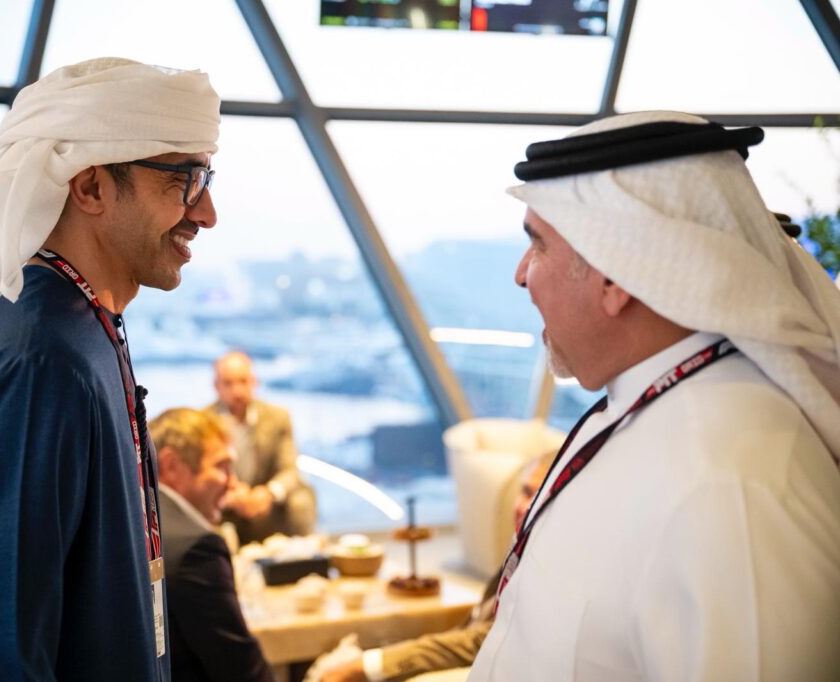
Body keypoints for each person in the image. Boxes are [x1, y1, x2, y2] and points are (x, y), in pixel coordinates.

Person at [467, 111, 840, 680]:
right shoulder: (648, 407)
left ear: (614, 276)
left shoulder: (731, 482)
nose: (521, 275)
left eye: (537, 246)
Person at [0, 58, 221, 680]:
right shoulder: (40, 364)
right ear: (91, 187)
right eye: (183, 179)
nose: (206, 213)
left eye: (205, 178)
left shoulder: (81, 324)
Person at [319, 453, 555, 682]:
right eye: (525, 492)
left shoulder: (546, 572)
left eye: (539, 498)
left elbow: (480, 641)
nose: (526, 507)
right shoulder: (521, 549)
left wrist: (369, 665)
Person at [150, 408, 274, 682]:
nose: (233, 483)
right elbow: (243, 671)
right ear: (170, 466)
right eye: (222, 466)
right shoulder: (196, 548)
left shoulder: (138, 519)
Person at [207, 350, 316, 543]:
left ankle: (302, 555)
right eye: (228, 383)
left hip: (267, 504)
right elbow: (202, 474)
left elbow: (289, 470)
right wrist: (230, 492)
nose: (237, 391)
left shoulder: (277, 417)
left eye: (243, 381)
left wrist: (268, 493)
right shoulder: (204, 422)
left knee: (301, 498)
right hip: (226, 504)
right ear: (217, 386)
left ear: (254, 382)